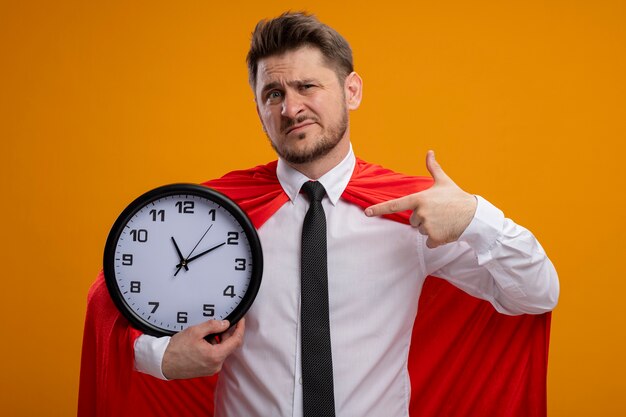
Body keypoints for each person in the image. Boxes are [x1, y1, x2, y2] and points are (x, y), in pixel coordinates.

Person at [128, 11, 559, 417]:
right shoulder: (215, 215)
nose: (290, 109)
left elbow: (536, 294)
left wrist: (474, 216)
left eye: (307, 87)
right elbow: (122, 303)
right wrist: (158, 356)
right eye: (273, 94)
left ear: (351, 91)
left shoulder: (411, 211)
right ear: (259, 110)